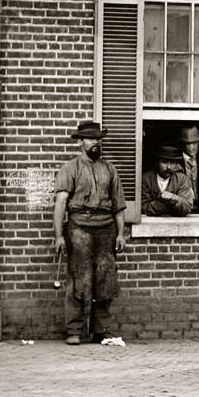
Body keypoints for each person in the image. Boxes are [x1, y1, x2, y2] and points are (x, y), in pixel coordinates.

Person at [53, 119, 127, 344]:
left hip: (106, 229)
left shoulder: (109, 169)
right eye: (90, 139)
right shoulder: (70, 168)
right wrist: (58, 236)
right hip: (79, 229)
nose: (95, 143)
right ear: (81, 142)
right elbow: (60, 203)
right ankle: (74, 330)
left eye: (98, 139)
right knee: (79, 278)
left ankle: (100, 330)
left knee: (105, 279)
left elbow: (119, 205)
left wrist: (121, 233)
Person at [142, 144, 196, 217]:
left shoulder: (182, 179)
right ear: (157, 163)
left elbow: (187, 207)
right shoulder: (145, 179)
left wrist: (173, 197)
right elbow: (143, 207)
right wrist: (172, 204)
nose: (169, 167)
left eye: (172, 162)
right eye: (164, 162)